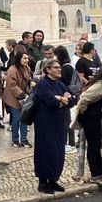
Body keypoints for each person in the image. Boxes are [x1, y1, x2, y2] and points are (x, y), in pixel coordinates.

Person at [33, 58, 76, 194]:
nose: (59, 69)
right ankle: (43, 181)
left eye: (59, 67)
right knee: (46, 151)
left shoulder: (60, 84)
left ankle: (53, 179)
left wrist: (62, 99)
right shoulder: (42, 84)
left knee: (58, 151)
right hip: (45, 124)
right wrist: (61, 99)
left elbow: (72, 100)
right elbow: (50, 101)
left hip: (59, 123)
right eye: (56, 67)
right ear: (48, 70)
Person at [3, 51, 34, 148]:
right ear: (19, 59)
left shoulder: (27, 68)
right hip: (13, 98)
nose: (27, 60)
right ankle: (15, 140)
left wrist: (31, 81)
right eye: (24, 58)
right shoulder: (12, 70)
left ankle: (24, 139)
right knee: (16, 118)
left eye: (27, 58)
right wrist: (22, 94)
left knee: (24, 118)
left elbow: (29, 77)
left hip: (23, 97)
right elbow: (12, 85)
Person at [55, 46, 76, 151]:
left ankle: (71, 143)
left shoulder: (66, 67)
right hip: (65, 94)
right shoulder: (65, 66)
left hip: (66, 95)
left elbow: (64, 80)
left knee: (67, 121)